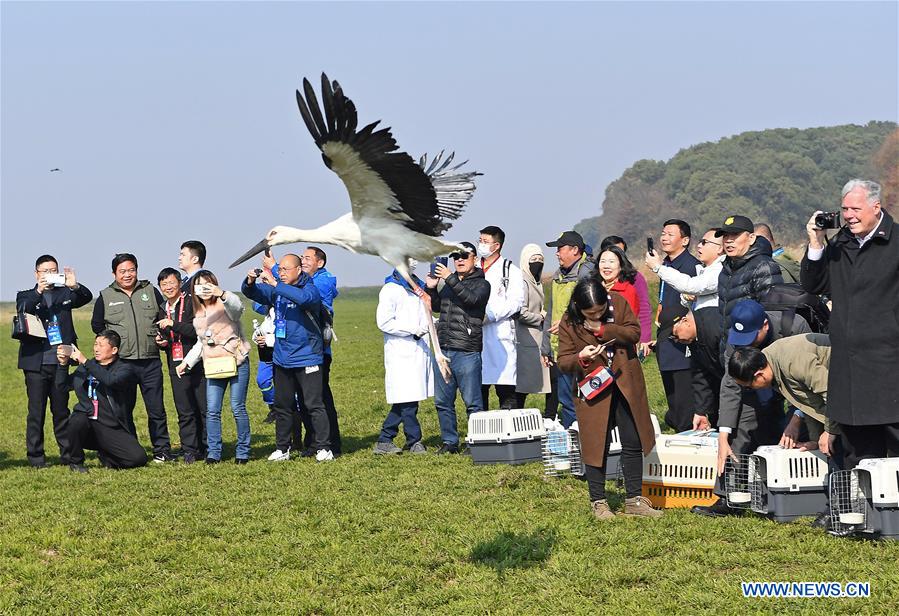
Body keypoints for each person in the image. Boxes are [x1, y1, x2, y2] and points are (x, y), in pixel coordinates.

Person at [801, 179, 899, 466]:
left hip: (890, 362)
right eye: (844, 209)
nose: (849, 215)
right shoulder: (840, 244)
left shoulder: (895, 243)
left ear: (876, 207)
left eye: (855, 208)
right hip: (849, 364)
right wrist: (816, 242)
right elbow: (813, 285)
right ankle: (857, 507)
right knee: (857, 444)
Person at [691, 299, 811, 518]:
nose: (746, 344)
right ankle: (729, 496)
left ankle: (790, 494)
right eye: (741, 339)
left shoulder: (794, 327)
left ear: (765, 325)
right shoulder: (737, 341)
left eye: (751, 338)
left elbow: (808, 382)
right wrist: (723, 434)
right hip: (752, 384)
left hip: (798, 387)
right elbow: (730, 384)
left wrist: (797, 417)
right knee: (739, 430)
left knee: (797, 432)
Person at [556, 277, 662, 519]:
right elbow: (563, 361)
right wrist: (582, 356)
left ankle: (634, 499)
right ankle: (598, 501)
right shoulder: (568, 321)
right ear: (578, 307)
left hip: (626, 380)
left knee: (633, 439)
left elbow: (634, 333)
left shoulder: (619, 303)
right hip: (593, 387)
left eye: (600, 311)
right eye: (590, 313)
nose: (595, 316)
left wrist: (604, 330)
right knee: (596, 444)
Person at [729, 334, 840, 528]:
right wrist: (815, 438)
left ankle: (838, 509)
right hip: (835, 397)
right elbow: (808, 401)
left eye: (749, 386)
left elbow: (830, 391)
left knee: (841, 445)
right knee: (828, 445)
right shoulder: (772, 365)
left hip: (851, 381)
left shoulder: (792, 362)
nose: (751, 390)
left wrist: (830, 430)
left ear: (759, 376)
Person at [242, 254, 333, 462]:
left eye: (285, 269)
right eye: (280, 269)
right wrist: (250, 282)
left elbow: (303, 299)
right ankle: (283, 448)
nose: (281, 273)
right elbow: (255, 293)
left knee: (313, 404)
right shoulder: (278, 291)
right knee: (283, 405)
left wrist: (275, 283)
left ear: (298, 270)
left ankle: (323, 447)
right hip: (282, 358)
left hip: (307, 357)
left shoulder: (310, 289)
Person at [91, 253, 174, 462]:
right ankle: (129, 450)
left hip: (150, 361)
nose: (128, 275)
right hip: (122, 364)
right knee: (123, 410)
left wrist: (162, 337)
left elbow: (162, 318)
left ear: (137, 269)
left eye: (131, 270)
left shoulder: (150, 291)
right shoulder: (105, 296)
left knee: (156, 409)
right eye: (122, 271)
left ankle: (162, 451)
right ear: (114, 274)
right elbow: (97, 326)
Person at [16, 255, 93, 468]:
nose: (49, 274)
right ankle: (36, 458)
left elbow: (86, 297)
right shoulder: (26, 295)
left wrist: (74, 284)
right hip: (36, 363)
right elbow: (23, 308)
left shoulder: (65, 293)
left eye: (53, 270)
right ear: (36, 274)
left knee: (61, 411)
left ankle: (68, 455)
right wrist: (38, 291)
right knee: (36, 412)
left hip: (61, 360)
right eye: (45, 271)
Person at [176, 271, 252, 464]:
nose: (204, 289)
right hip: (214, 365)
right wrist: (187, 362)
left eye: (207, 284)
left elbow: (238, 309)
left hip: (237, 361)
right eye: (199, 285)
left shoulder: (225, 304)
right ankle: (214, 453)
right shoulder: (198, 315)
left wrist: (222, 293)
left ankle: (243, 451)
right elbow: (201, 344)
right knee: (212, 410)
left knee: (237, 407)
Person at [424, 242, 491, 454]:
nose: (459, 260)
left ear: (474, 259)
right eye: (455, 256)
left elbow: (471, 300)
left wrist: (449, 278)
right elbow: (436, 307)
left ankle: (477, 442)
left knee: (473, 402)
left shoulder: (482, 284)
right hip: (444, 349)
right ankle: (450, 442)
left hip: (467, 350)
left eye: (464, 256)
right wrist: (432, 288)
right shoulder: (449, 284)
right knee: (443, 401)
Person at [56, 330, 148, 472]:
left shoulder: (125, 369)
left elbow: (110, 381)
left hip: (110, 425)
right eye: (95, 344)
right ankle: (76, 463)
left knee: (138, 458)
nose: (96, 348)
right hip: (87, 421)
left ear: (114, 350)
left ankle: (107, 453)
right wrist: (62, 365)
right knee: (76, 421)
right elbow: (63, 386)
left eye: (101, 345)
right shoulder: (87, 366)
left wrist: (85, 361)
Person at [373, 266, 434, 454]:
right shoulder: (391, 289)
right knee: (407, 398)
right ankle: (414, 440)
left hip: (418, 350)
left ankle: (385, 439)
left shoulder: (417, 287)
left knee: (409, 397)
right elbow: (384, 322)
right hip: (401, 351)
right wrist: (412, 329)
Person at [541, 231, 595, 428]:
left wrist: (567, 324)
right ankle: (573, 440)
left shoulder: (587, 273)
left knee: (586, 395)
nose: (556, 254)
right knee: (566, 397)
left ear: (574, 250)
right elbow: (551, 311)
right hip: (561, 348)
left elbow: (591, 309)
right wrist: (546, 347)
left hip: (581, 347)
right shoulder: (557, 276)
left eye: (560, 249)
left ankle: (587, 439)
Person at [652, 219, 702, 432]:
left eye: (670, 234)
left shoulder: (690, 266)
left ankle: (687, 433)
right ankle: (678, 427)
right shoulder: (665, 265)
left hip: (683, 339)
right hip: (665, 336)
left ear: (685, 240)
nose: (664, 237)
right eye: (663, 233)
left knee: (684, 393)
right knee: (671, 391)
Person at [155, 267, 206, 464]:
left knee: (203, 407)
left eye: (171, 282)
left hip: (198, 361)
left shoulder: (192, 303)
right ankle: (189, 450)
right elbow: (168, 335)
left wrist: (172, 324)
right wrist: (162, 342)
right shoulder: (162, 307)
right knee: (184, 410)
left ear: (179, 283)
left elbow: (196, 331)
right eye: (164, 284)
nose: (168, 287)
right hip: (175, 362)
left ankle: (207, 447)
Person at [477, 226, 525, 410]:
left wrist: (491, 315)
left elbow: (516, 302)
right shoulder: (472, 267)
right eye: (480, 240)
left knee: (506, 391)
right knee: (478, 392)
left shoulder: (510, 270)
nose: (481, 244)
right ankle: (480, 433)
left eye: (485, 241)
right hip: (475, 335)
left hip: (500, 336)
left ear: (496, 246)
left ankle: (510, 435)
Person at [659, 304, 724, 430]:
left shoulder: (715, 328)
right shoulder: (693, 340)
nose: (676, 340)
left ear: (685, 321)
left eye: (674, 335)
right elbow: (701, 375)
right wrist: (701, 411)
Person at [715, 215, 783, 328]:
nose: (729, 241)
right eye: (725, 236)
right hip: (730, 341)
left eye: (735, 235)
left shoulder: (763, 266)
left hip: (753, 339)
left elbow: (773, 312)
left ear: (751, 238)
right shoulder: (726, 268)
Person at [644, 228, 725, 310]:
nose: (699, 245)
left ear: (720, 248)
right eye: (663, 234)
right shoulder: (703, 270)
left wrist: (658, 268)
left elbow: (690, 286)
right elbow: (692, 303)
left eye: (704, 242)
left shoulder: (721, 271)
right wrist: (686, 297)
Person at [599, 236, 652, 358]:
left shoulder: (634, 279)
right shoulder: (593, 284)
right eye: (605, 260)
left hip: (621, 344)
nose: (608, 264)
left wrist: (645, 337)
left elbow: (643, 307)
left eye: (619, 254)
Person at [514, 244, 550, 409]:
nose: (537, 263)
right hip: (525, 339)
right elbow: (520, 313)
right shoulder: (522, 282)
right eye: (533, 259)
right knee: (522, 386)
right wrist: (540, 318)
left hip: (535, 339)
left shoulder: (536, 281)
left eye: (540, 259)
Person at [595, 246, 641, 318]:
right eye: (603, 261)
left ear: (621, 266)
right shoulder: (593, 288)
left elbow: (629, 323)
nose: (606, 266)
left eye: (611, 261)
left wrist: (601, 328)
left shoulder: (627, 291)